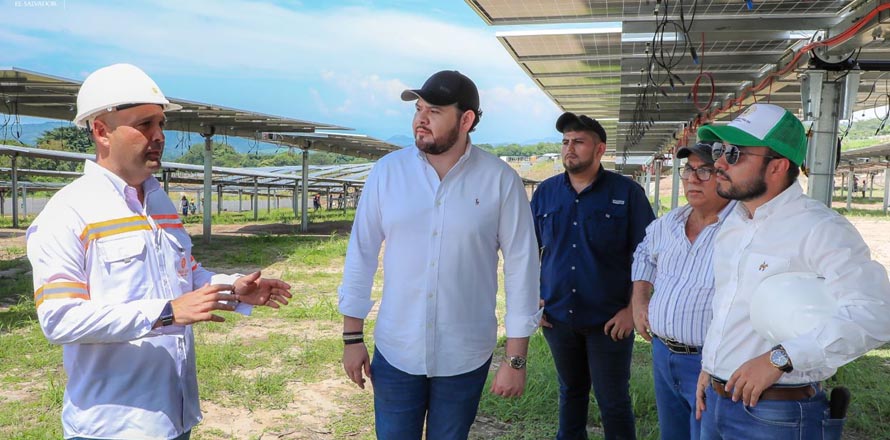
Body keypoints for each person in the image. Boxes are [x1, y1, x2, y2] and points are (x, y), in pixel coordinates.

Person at [26, 63, 293, 440]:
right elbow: (59, 318)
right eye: (144, 124)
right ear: (101, 131)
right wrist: (166, 313)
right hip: (113, 426)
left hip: (174, 416)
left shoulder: (160, 202)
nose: (159, 135)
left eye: (161, 124)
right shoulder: (69, 211)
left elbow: (187, 274)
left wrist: (233, 289)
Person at [338, 70, 541, 440]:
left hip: (465, 354)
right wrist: (352, 338)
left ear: (466, 120)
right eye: (418, 109)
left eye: (434, 111)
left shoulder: (500, 180)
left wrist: (515, 359)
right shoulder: (388, 173)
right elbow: (361, 254)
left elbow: (522, 268)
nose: (421, 119)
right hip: (397, 350)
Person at [692, 103, 890, 439]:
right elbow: (729, 308)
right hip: (717, 399)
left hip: (776, 412)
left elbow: (875, 313)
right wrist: (712, 367)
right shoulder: (734, 224)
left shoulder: (819, 228)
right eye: (719, 151)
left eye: (734, 154)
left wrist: (780, 359)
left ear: (778, 166)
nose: (720, 163)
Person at [531, 112, 654, 440]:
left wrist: (631, 309)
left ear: (599, 149)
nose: (569, 148)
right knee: (570, 391)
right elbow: (526, 251)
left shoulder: (627, 193)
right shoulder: (545, 193)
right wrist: (532, 298)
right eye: (565, 142)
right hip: (558, 317)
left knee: (612, 400)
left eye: (578, 142)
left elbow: (649, 256)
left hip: (610, 321)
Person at [630, 142, 735, 440]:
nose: (692, 179)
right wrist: (640, 300)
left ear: (725, 174)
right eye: (689, 170)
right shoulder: (669, 223)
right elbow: (644, 254)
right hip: (664, 353)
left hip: (711, 362)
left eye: (705, 171)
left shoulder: (742, 227)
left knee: (708, 433)